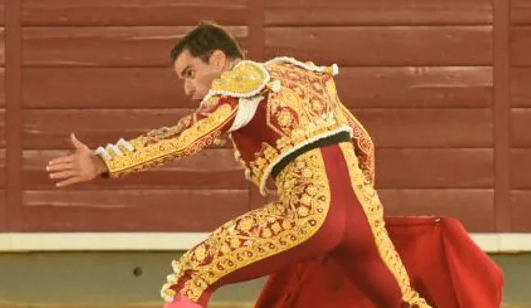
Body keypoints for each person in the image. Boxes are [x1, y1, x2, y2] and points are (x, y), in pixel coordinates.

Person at [45, 21, 431, 308]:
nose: (188, 89)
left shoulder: (241, 83)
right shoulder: (302, 74)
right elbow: (364, 143)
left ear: (218, 59)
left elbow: (185, 139)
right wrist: (363, 216)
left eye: (190, 74)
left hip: (309, 214)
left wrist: (102, 162)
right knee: (406, 302)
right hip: (364, 216)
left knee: (193, 275)